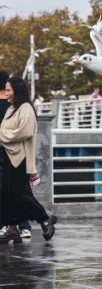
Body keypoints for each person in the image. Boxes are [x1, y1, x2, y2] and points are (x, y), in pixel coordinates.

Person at [0, 76, 57, 244]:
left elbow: (24, 131)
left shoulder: (26, 108)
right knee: (7, 194)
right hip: (10, 157)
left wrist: (2, 135)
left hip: (21, 158)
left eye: (9, 89)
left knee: (21, 194)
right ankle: (12, 229)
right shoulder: (12, 109)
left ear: (16, 90)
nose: (6, 92)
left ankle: (45, 218)